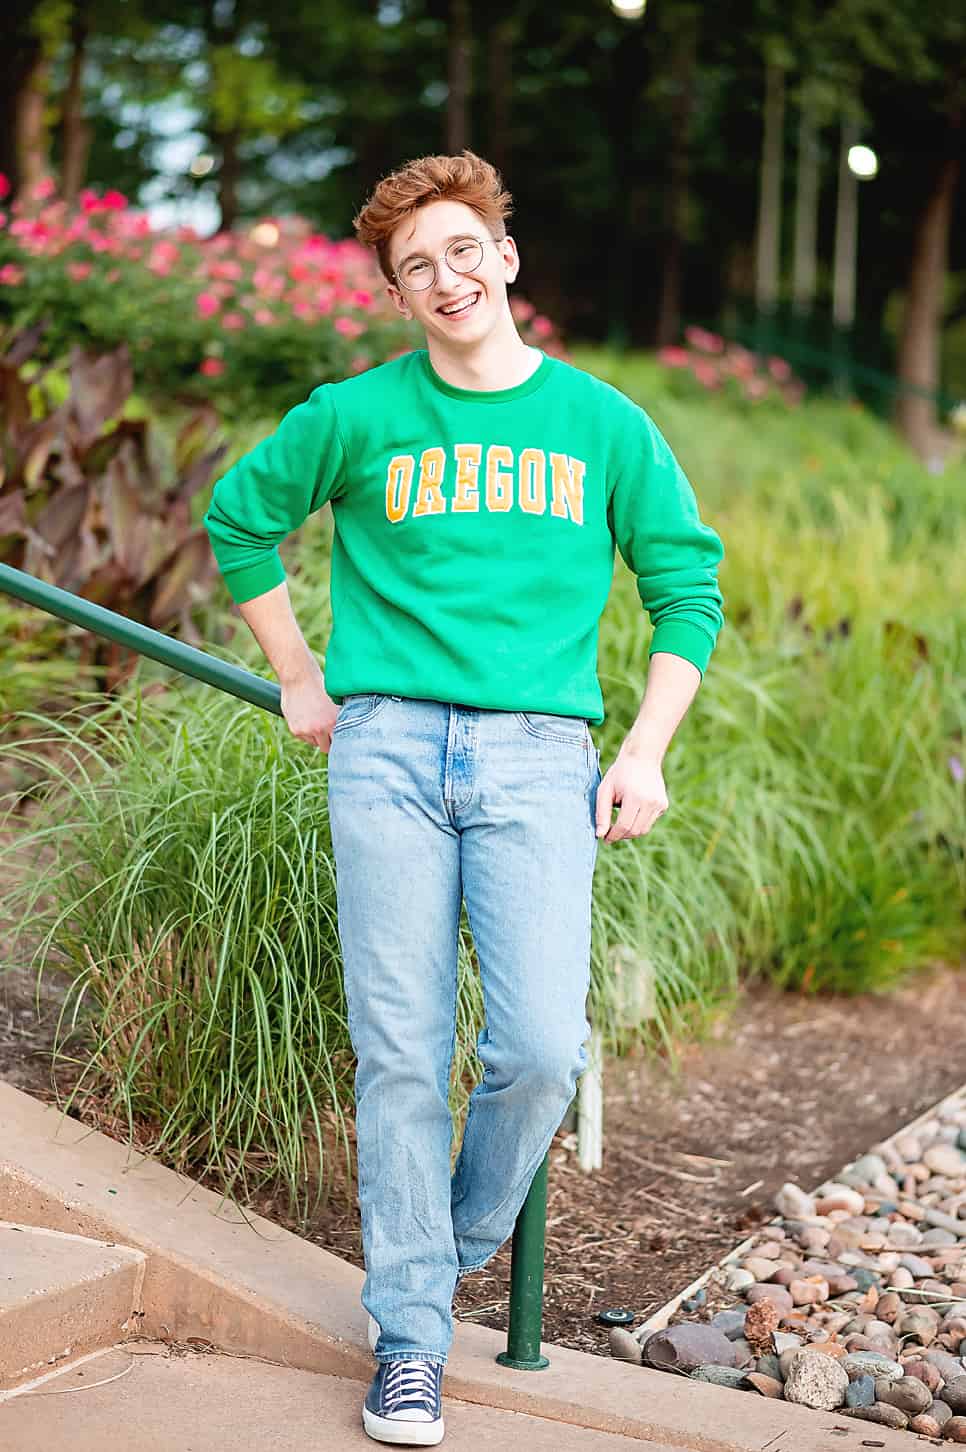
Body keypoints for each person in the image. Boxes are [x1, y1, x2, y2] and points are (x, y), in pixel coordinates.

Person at [203, 149, 724, 1447]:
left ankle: (454, 1235)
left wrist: (644, 749)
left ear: (504, 254)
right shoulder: (356, 414)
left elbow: (686, 589)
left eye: (459, 249)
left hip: (540, 759)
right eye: (413, 267)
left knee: (539, 1047)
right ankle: (410, 1342)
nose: (443, 278)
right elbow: (237, 517)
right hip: (381, 751)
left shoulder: (600, 424)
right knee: (399, 1056)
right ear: (395, 293)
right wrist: (297, 678)